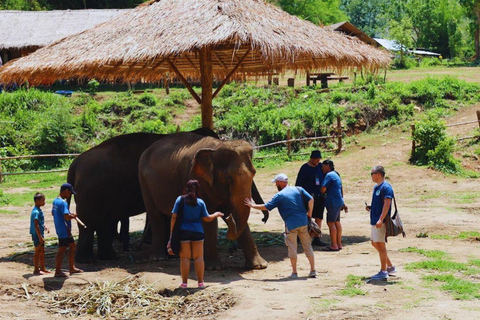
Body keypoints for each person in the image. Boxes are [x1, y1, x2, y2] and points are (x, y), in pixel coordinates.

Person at [245, 173, 316, 279]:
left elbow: (266, 207)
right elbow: (311, 200)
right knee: (307, 246)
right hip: (304, 222)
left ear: (279, 182)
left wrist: (252, 205)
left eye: (276, 183)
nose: (276, 185)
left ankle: (294, 272)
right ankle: (313, 270)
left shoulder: (279, 196)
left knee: (292, 248)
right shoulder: (298, 189)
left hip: (291, 225)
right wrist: (309, 214)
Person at [167, 180, 224, 289]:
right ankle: (200, 283)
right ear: (197, 190)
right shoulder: (200, 202)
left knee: (185, 258)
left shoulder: (180, 200)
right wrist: (216, 215)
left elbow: (174, 216)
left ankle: (184, 283)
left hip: (183, 232)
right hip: (198, 232)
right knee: (199, 258)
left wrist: (171, 234)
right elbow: (207, 218)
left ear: (186, 188)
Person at [366, 165, 396, 280]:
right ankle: (390, 267)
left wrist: (381, 219)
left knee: (381, 245)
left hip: (380, 221)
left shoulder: (386, 187)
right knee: (375, 243)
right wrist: (371, 207)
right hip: (374, 219)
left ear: (378, 174)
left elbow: (387, 204)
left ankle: (383, 271)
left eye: (372, 173)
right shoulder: (376, 187)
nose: (371, 176)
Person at [295, 150, 327, 246]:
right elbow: (299, 184)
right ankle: (299, 236)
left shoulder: (320, 167)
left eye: (319, 159)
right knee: (305, 216)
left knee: (319, 217)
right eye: (316, 159)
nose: (317, 161)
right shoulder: (305, 168)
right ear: (311, 158)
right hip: (308, 197)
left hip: (319, 196)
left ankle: (316, 238)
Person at [52, 183, 83, 277]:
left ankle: (72, 268)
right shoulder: (63, 203)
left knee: (72, 246)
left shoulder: (55, 201)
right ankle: (57, 271)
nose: (70, 195)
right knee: (62, 249)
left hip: (61, 228)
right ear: (66, 191)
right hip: (64, 229)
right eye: (70, 193)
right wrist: (72, 216)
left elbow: (53, 213)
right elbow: (66, 216)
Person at [320, 160, 347, 251]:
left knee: (331, 223)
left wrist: (321, 193)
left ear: (328, 166)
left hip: (332, 202)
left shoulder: (329, 175)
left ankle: (334, 245)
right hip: (338, 201)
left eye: (323, 166)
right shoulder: (336, 174)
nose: (322, 168)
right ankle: (338, 244)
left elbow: (323, 189)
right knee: (337, 222)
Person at [30, 192, 50, 275]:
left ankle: (42, 267)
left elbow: (39, 223)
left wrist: (45, 227)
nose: (44, 202)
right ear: (37, 201)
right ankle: (36, 269)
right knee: (37, 251)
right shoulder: (36, 212)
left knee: (42, 251)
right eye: (43, 200)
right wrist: (40, 237)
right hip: (37, 234)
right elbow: (36, 224)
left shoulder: (39, 210)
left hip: (40, 233)